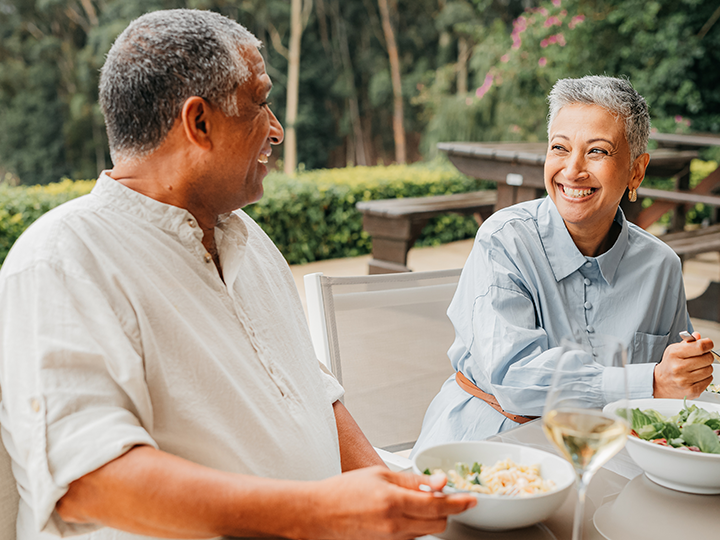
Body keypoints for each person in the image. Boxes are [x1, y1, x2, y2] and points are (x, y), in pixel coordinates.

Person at [0, 9, 476, 540]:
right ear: (198, 123)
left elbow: (311, 389)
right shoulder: (63, 259)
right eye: (260, 102)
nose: (275, 128)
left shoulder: (246, 236)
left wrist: (389, 487)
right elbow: (91, 480)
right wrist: (319, 512)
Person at [413, 75, 716, 454]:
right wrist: (648, 382)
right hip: (488, 443)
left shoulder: (661, 267)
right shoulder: (503, 241)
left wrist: (689, 369)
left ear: (636, 171)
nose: (572, 170)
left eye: (597, 152)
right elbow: (513, 378)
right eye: (559, 147)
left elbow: (674, 388)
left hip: (607, 454)